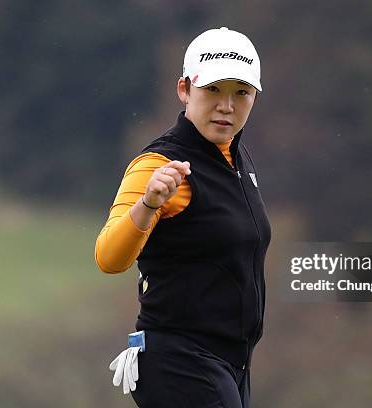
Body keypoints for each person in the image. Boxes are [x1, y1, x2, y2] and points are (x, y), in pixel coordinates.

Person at [94, 27, 271, 408]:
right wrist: (149, 204)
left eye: (241, 92)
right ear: (184, 90)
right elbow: (109, 258)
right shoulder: (157, 164)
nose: (227, 106)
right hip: (179, 362)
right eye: (213, 90)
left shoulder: (236, 161)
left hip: (230, 366)